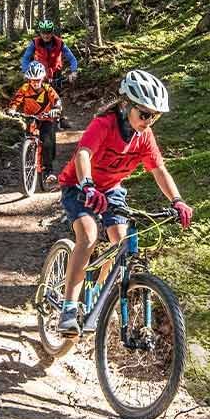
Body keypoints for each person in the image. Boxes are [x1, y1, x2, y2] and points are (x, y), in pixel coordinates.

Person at [55, 69, 193, 337]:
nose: (149, 121)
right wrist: (87, 185)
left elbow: (159, 170)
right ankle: (69, 306)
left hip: (111, 189)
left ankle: (99, 294)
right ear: (126, 105)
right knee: (88, 235)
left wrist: (177, 200)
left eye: (154, 116)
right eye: (144, 114)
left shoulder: (144, 136)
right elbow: (83, 154)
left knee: (121, 244)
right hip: (79, 185)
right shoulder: (104, 124)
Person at [6, 61, 61, 185]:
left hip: (46, 118)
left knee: (47, 142)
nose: (35, 82)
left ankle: (48, 171)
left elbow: (57, 100)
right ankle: (28, 159)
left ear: (42, 79)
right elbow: (16, 100)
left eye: (38, 80)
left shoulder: (47, 88)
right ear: (29, 80)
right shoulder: (25, 88)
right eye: (32, 80)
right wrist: (12, 109)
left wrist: (56, 109)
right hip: (30, 118)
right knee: (28, 138)